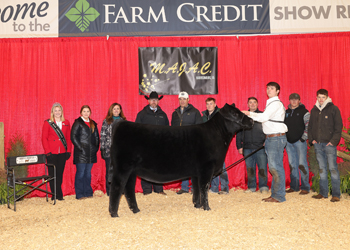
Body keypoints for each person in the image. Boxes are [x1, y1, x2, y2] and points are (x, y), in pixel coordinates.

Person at [242, 82, 288, 203]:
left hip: (276, 138)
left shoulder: (275, 104)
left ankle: (279, 196)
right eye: (267, 88)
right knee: (274, 167)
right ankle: (275, 194)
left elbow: (263, 118)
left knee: (275, 167)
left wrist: (249, 113)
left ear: (278, 91)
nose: (269, 90)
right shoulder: (271, 103)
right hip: (272, 138)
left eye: (272, 88)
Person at [308, 89, 343, 202]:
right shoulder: (314, 110)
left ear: (327, 97)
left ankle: (336, 194)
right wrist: (311, 139)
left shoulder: (334, 109)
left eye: (323, 97)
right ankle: (323, 193)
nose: (321, 99)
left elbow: (338, 127)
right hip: (318, 144)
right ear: (317, 98)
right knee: (322, 169)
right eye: (319, 97)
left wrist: (333, 141)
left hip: (329, 144)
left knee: (333, 169)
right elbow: (310, 127)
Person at [135, 91, 169, 195]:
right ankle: (147, 190)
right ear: (148, 101)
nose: (154, 101)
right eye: (152, 100)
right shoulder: (142, 114)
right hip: (146, 146)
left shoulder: (163, 115)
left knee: (159, 167)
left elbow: (168, 130)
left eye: (155, 100)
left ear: (158, 101)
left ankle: (159, 189)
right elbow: (137, 130)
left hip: (160, 145)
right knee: (146, 167)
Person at [172, 91, 202, 194]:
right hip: (179, 144)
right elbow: (172, 130)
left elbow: (199, 128)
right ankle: (184, 187)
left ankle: (195, 187)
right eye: (180, 99)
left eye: (184, 99)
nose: (182, 101)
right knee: (183, 166)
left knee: (194, 166)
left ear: (188, 100)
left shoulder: (195, 112)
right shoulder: (174, 113)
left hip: (192, 144)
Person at [236, 97, 268, 194]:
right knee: (250, 169)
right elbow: (239, 132)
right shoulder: (243, 117)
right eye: (250, 102)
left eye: (254, 102)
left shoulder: (262, 115)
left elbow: (268, 129)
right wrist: (239, 146)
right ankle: (252, 187)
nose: (253, 104)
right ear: (248, 104)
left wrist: (267, 141)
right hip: (247, 148)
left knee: (262, 168)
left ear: (257, 104)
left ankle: (263, 187)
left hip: (260, 147)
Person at [42, 102, 72, 201]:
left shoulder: (66, 122)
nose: (57, 112)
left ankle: (59, 194)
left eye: (59, 110)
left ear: (62, 112)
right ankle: (54, 194)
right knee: (52, 174)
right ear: (52, 112)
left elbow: (68, 138)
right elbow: (44, 138)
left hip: (62, 152)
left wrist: (69, 151)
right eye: (56, 110)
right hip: (51, 153)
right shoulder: (48, 122)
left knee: (60, 174)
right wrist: (48, 152)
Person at [71, 105, 100, 200]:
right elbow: (73, 137)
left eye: (88, 111)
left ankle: (88, 192)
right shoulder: (78, 123)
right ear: (81, 113)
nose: (86, 113)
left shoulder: (93, 123)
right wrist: (80, 148)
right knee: (80, 173)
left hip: (91, 153)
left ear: (90, 113)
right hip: (81, 153)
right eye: (84, 111)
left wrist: (96, 148)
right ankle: (79, 194)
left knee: (88, 174)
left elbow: (97, 137)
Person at [284, 93, 310, 195]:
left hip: (300, 142)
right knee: (292, 165)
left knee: (302, 164)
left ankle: (305, 187)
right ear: (289, 100)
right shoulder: (285, 112)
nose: (294, 101)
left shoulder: (305, 112)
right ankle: (294, 186)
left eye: (296, 99)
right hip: (288, 142)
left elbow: (308, 126)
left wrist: (303, 138)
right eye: (292, 99)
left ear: (299, 100)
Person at [202, 97, 229, 194]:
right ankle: (214, 188)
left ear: (215, 104)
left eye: (211, 104)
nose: (209, 106)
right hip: (208, 144)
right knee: (211, 167)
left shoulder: (220, 115)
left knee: (221, 166)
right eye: (207, 104)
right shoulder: (204, 116)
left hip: (218, 144)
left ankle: (225, 188)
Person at [100, 103, 126, 196]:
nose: (116, 110)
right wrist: (102, 148)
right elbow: (103, 135)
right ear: (111, 110)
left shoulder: (123, 121)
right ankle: (109, 190)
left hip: (121, 152)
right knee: (110, 171)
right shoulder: (106, 121)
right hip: (109, 150)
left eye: (118, 109)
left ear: (120, 110)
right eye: (114, 109)